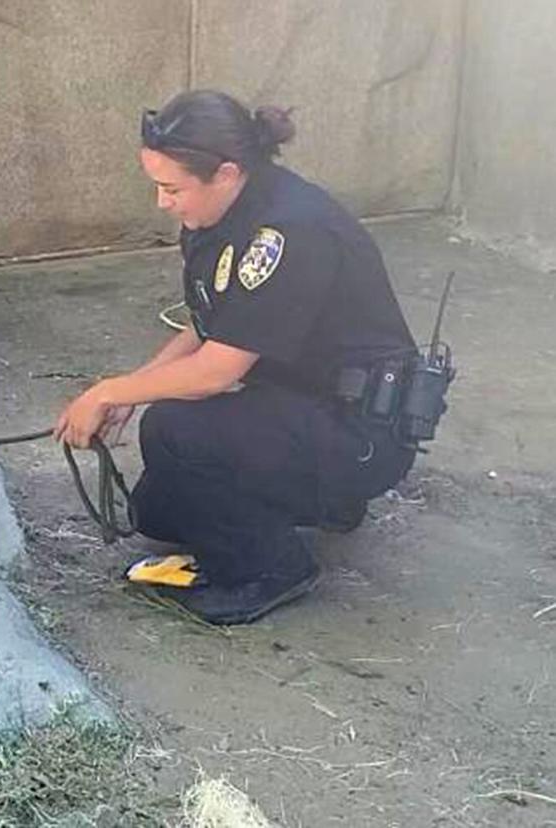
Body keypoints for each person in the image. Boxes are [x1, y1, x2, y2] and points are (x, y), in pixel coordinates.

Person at [54, 89, 419, 625]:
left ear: (225, 173)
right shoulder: (223, 216)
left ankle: (272, 568)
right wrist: (135, 386)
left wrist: (109, 392)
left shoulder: (290, 231)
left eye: (172, 188)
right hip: (305, 402)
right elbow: (209, 330)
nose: (163, 203)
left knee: (176, 431)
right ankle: (321, 505)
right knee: (159, 507)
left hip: (362, 432)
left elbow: (216, 372)